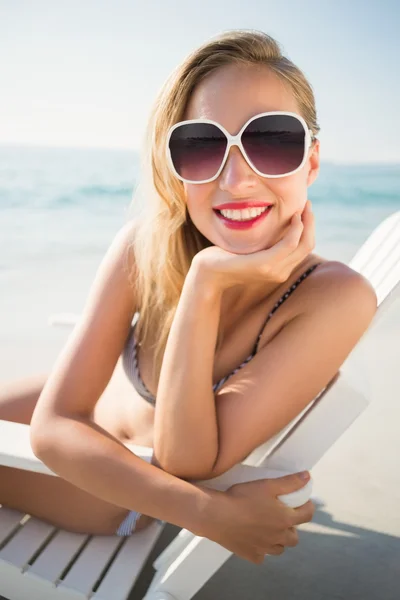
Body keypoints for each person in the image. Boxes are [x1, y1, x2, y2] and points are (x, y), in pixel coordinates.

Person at [0, 29, 377, 565]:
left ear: (311, 162)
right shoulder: (143, 244)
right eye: (201, 147)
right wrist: (210, 515)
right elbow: (56, 422)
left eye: (271, 140)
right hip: (91, 428)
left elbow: (184, 460)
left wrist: (205, 284)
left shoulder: (333, 298)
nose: (238, 178)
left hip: (115, 494)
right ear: (174, 169)